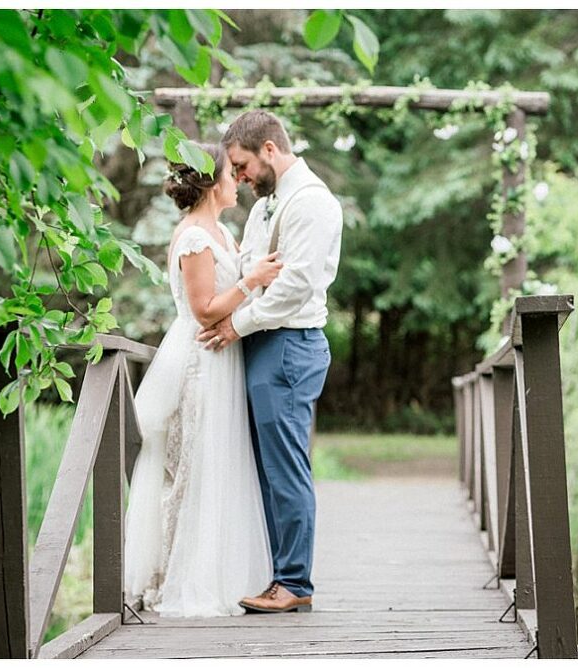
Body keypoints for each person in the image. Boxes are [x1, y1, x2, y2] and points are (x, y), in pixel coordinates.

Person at [123, 143, 283, 617]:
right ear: (214, 183)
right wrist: (251, 281)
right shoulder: (194, 237)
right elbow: (204, 310)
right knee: (196, 465)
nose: (239, 181)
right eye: (233, 174)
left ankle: (223, 572)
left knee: (221, 463)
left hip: (223, 358)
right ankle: (184, 578)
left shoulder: (219, 232)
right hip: (201, 361)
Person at [198, 110, 343, 613]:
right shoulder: (268, 203)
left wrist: (234, 324)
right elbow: (253, 269)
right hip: (266, 344)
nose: (236, 176)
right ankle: (281, 575)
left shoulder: (311, 204)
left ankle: (295, 582)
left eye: (240, 165)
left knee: (285, 469)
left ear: (269, 150)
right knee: (267, 469)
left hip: (288, 344)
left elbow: (298, 286)